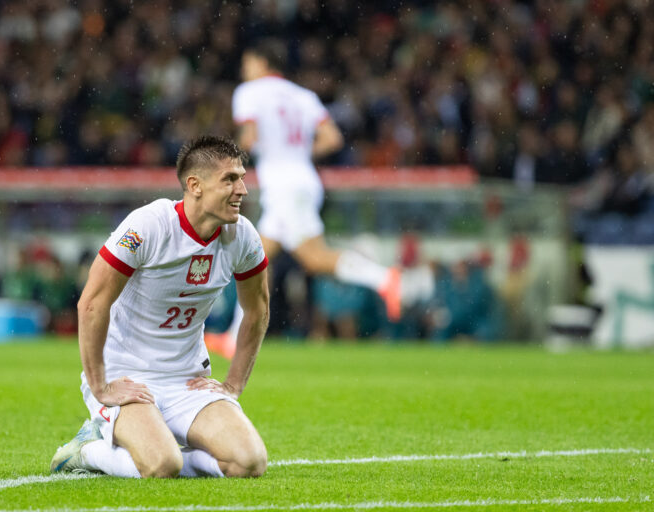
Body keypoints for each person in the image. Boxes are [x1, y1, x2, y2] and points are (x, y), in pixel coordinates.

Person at [50, 135, 270, 479]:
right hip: (127, 375)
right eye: (229, 179)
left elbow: (258, 310)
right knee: (162, 465)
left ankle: (159, 445)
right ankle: (87, 451)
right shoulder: (149, 225)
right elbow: (92, 303)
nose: (242, 189)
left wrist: (233, 384)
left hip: (188, 381)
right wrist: (100, 385)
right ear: (194, 185)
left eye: (242, 178)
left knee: (249, 463)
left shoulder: (242, 235)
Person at [205, 40, 433, 358]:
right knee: (261, 259)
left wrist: (225, 161)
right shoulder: (304, 96)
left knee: (295, 258)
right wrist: (298, 154)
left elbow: (250, 137)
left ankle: (386, 279)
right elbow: (332, 138)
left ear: (261, 62)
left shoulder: (249, 92)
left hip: (283, 185)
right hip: (304, 179)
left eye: (247, 62)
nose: (244, 69)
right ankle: (234, 339)